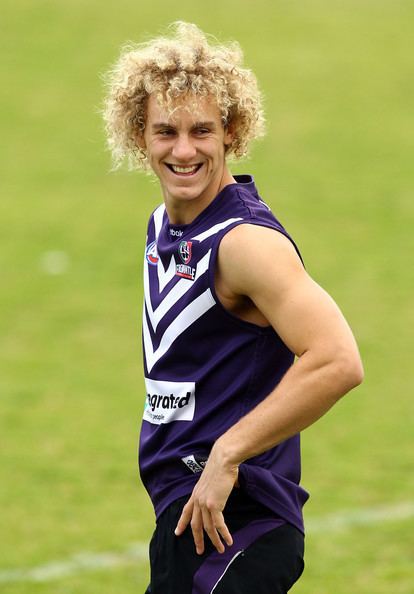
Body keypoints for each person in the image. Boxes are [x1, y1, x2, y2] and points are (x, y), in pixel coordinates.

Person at [103, 22, 364, 594]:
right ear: (137, 134)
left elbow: (337, 360)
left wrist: (227, 454)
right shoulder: (162, 227)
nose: (183, 149)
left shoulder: (245, 244)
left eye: (202, 130)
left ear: (232, 131)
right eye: (165, 131)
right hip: (183, 517)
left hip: (241, 522)